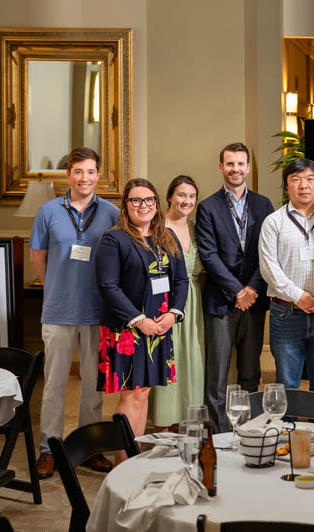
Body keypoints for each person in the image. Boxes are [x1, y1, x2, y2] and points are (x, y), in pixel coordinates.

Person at [29, 146, 119, 479]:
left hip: (97, 311)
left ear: (98, 175)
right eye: (78, 171)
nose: (84, 178)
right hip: (58, 311)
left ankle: (90, 446)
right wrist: (55, 286)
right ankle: (48, 450)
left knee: (94, 385)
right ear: (69, 174)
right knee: (53, 385)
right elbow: (38, 256)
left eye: (90, 172)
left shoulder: (111, 213)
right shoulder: (48, 211)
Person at [95, 178, 188, 455]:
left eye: (149, 200)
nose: (143, 205)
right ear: (126, 206)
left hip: (160, 327)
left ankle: (134, 454)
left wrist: (174, 313)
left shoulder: (167, 238)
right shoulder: (114, 239)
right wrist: (138, 320)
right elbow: (107, 286)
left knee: (144, 392)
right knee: (131, 394)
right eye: (136, 200)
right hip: (127, 328)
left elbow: (181, 280)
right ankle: (122, 461)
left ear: (157, 204)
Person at [196, 142, 274, 432]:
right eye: (230, 164)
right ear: (221, 167)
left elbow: (267, 252)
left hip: (254, 302)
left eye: (241, 164)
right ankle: (218, 437)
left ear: (248, 168)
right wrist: (237, 291)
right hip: (221, 302)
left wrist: (252, 289)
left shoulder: (263, 204)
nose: (236, 169)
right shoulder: (207, 207)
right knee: (216, 377)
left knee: (250, 374)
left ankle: (249, 432)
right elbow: (209, 255)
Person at [259, 158, 314, 393]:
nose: (303, 185)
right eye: (296, 180)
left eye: (309, 179)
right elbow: (268, 267)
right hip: (286, 313)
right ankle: (287, 430)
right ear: (287, 186)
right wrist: (298, 296)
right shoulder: (273, 222)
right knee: (287, 382)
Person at [149, 175, 206, 429]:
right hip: (165, 302)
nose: (187, 201)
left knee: (192, 358)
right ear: (170, 197)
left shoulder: (197, 227)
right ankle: (162, 425)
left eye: (192, 196)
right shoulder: (156, 227)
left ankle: (188, 422)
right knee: (168, 359)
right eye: (181, 195)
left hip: (194, 302)